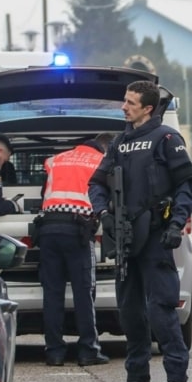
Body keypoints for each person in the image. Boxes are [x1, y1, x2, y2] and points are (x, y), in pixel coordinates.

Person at [89, 80, 192, 382]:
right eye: (124, 101)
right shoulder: (120, 142)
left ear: (148, 108)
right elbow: (97, 183)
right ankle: (138, 381)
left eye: (130, 102)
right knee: (130, 312)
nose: (124, 107)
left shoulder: (166, 138)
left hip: (156, 235)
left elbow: (187, 186)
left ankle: (177, 381)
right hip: (125, 237)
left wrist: (176, 223)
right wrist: (103, 212)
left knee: (161, 309)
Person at [37, 133, 115, 367]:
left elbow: (45, 194)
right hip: (77, 229)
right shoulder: (100, 161)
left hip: (48, 229)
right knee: (84, 292)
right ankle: (88, 350)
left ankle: (54, 352)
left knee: (52, 293)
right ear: (104, 148)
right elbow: (106, 197)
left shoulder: (56, 159)